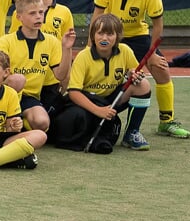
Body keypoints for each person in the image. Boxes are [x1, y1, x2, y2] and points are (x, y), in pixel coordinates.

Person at [92, 0, 189, 139]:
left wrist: (152, 53)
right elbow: (97, 15)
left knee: (161, 69)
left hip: (138, 37)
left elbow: (158, 25)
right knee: (97, 71)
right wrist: (90, 45)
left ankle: (166, 122)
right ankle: (93, 110)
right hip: (111, 36)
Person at [50, 12, 153, 152]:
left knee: (143, 85)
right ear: (93, 36)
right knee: (77, 116)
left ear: (118, 36)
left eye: (110, 34)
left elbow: (134, 70)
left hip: (111, 99)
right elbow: (73, 92)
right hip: (88, 101)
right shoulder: (83, 56)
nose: (104, 38)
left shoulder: (125, 51)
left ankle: (132, 133)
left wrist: (133, 74)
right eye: (100, 33)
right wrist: (98, 111)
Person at [0, 0, 72, 133]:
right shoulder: (6, 41)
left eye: (41, 12)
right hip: (5, 95)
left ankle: (20, 123)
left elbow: (60, 76)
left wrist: (67, 49)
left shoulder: (52, 41)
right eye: (32, 13)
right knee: (18, 80)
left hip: (30, 97)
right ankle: (7, 118)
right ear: (19, 17)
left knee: (42, 123)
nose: (38, 16)